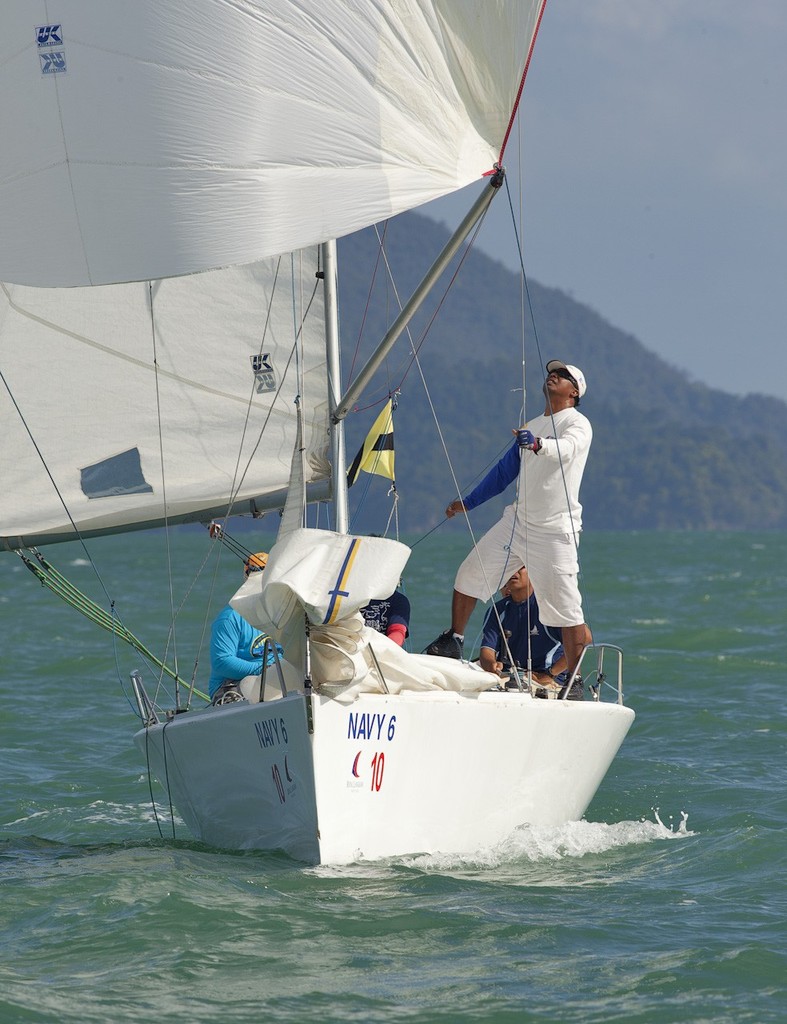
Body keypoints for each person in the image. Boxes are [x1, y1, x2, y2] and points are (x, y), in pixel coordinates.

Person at [426, 359, 592, 698]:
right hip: (517, 521)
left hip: (555, 529)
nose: (554, 375)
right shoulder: (532, 424)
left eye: (563, 376)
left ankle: (572, 681)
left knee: (566, 607)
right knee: (469, 573)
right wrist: (467, 503)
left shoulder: (578, 423)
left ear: (573, 392)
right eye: (552, 372)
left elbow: (567, 450)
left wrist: (538, 444)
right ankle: (454, 641)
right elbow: (504, 473)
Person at [479, 567, 571, 696]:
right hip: (508, 677)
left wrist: (551, 673)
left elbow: (583, 639)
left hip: (546, 682)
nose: (513, 571)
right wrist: (491, 665)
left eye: (520, 567)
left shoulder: (549, 607)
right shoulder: (496, 611)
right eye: (511, 566)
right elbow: (487, 650)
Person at [208, 551, 283, 704]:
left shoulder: (284, 612)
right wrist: (264, 669)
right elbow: (222, 661)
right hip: (232, 685)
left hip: (278, 677)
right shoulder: (230, 618)